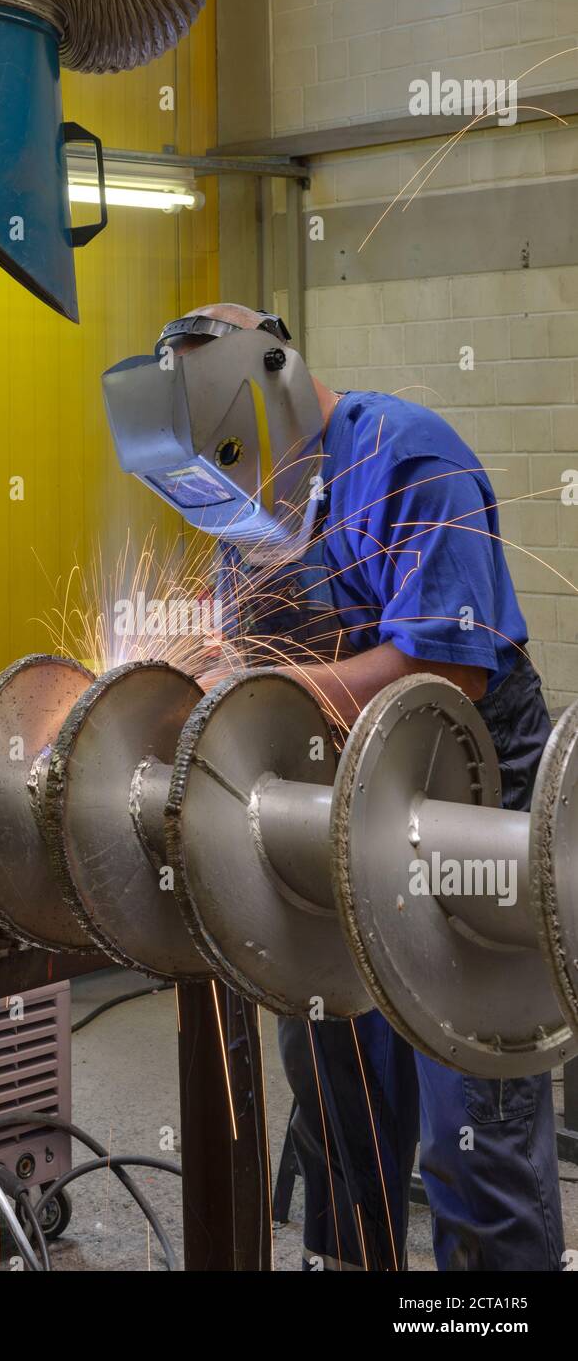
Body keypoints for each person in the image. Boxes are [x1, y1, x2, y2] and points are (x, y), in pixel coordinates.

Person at [103, 301, 565, 1272]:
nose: (239, 501)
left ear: (271, 378)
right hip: (333, 817)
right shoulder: (249, 496)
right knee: (338, 1105)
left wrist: (254, 694)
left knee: (466, 1130)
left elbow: (451, 675)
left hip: (464, 814)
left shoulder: (407, 454)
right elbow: (242, 646)